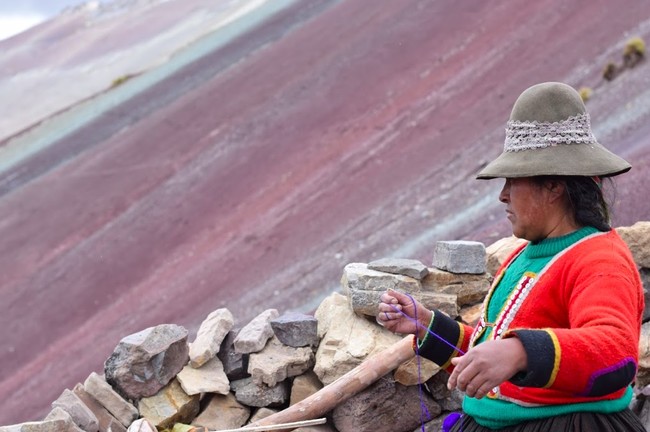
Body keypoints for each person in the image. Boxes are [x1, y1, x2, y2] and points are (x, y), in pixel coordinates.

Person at [377, 82, 646, 431]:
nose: (503, 196)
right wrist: (428, 325)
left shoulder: (600, 259)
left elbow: (616, 355)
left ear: (554, 185)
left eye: (513, 180)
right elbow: (489, 359)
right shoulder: (524, 256)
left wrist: (520, 352)